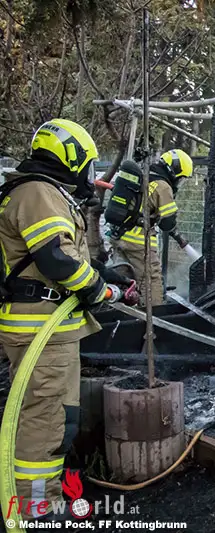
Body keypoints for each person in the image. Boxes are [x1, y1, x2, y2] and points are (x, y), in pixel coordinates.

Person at [0, 119, 138, 521]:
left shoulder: (38, 191)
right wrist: (100, 291)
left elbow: (67, 254)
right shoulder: (39, 192)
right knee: (44, 421)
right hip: (40, 329)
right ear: (72, 158)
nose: (89, 175)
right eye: (87, 165)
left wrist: (109, 276)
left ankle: (42, 497)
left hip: (48, 329)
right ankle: (34, 508)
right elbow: (57, 261)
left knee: (55, 417)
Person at [110, 149, 191, 305]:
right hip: (139, 241)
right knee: (151, 280)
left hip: (120, 235)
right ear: (174, 171)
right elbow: (167, 222)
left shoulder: (146, 176)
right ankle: (153, 314)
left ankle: (125, 309)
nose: (179, 183)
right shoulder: (162, 186)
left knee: (127, 277)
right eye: (180, 178)